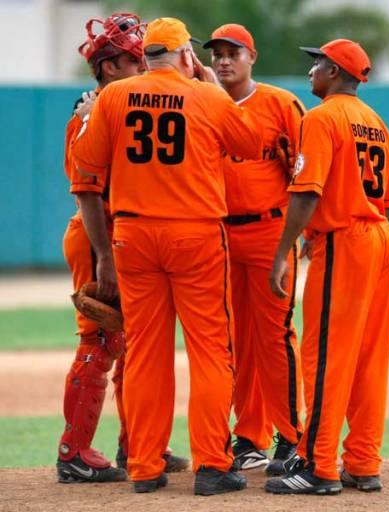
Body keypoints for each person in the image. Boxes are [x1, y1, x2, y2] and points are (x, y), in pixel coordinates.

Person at [71, 17, 264, 495]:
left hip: (132, 237)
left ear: (148, 55)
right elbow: (250, 143)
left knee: (144, 355)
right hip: (195, 235)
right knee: (210, 352)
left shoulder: (113, 97)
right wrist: (213, 83)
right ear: (184, 56)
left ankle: (143, 465)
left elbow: (85, 178)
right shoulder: (206, 94)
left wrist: (101, 255)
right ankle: (213, 466)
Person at [58, 12, 188, 484]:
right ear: (110, 67)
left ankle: (138, 443)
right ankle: (73, 452)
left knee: (137, 347)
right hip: (98, 234)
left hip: (124, 234)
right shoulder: (92, 112)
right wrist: (104, 258)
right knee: (101, 340)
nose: (144, 68)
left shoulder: (120, 104)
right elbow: (87, 190)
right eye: (135, 60)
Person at [266, 39, 389, 495]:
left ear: (337, 72)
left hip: (343, 240)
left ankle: (319, 467)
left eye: (318, 62)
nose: (311, 70)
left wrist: (285, 250)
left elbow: (306, 192)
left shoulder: (322, 118)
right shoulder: (378, 125)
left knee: (325, 356)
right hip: (380, 238)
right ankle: (362, 462)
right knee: (367, 358)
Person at [204, 24, 305, 474]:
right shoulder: (203, 103)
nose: (224, 61)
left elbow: (307, 173)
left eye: (233, 53)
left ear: (252, 58)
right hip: (220, 234)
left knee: (275, 337)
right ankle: (249, 436)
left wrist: (300, 239)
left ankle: (292, 437)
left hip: (270, 232)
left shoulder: (282, 104)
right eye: (218, 54)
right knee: (235, 342)